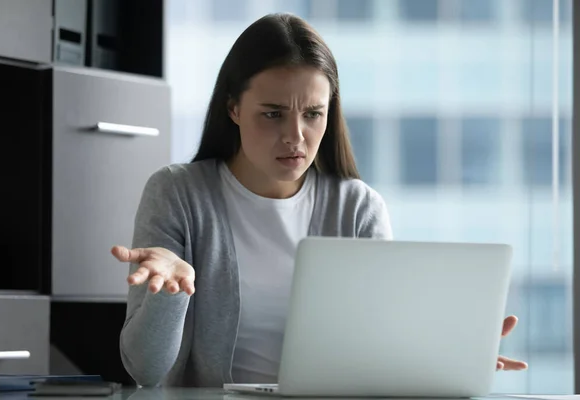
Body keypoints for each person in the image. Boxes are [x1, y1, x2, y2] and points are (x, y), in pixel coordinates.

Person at [111, 13, 528, 388]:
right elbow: (146, 371)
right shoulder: (178, 194)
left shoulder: (358, 209)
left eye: (313, 113)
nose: (296, 137)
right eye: (273, 113)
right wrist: (171, 293)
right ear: (234, 108)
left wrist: (449, 356)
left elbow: (378, 350)